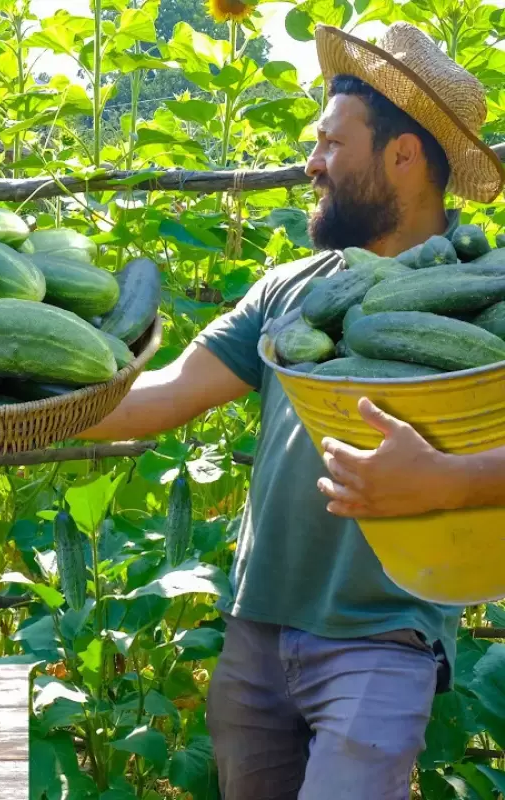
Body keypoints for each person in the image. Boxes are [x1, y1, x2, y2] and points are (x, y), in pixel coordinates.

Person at [77, 22, 505, 799]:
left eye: (332, 144)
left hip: (382, 642)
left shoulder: (489, 293)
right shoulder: (289, 289)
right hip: (257, 635)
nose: (311, 163)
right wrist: (16, 405)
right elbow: (164, 394)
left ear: (403, 154)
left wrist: (448, 481)